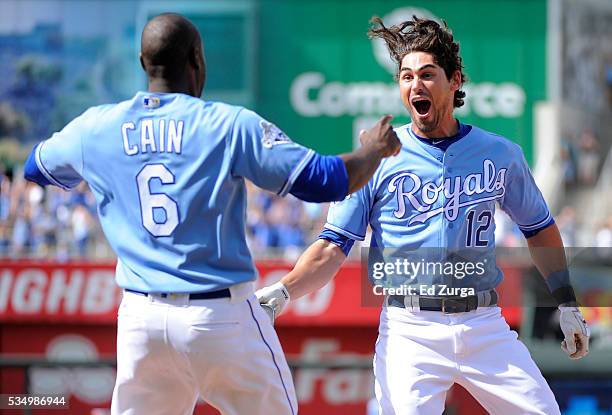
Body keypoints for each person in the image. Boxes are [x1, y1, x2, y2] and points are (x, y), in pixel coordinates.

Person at [23, 13, 400, 415]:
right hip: (219, 316)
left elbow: (35, 167)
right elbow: (325, 181)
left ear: (142, 63)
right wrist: (373, 149)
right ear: (197, 61)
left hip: (140, 321)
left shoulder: (95, 127)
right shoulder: (227, 124)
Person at [257, 16, 590, 414]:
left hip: (483, 322)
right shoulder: (376, 159)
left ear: (455, 80)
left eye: (428, 75)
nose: (416, 85)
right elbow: (333, 245)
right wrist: (285, 289)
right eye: (406, 76)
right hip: (409, 329)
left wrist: (566, 301)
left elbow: (539, 229)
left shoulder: (500, 153)